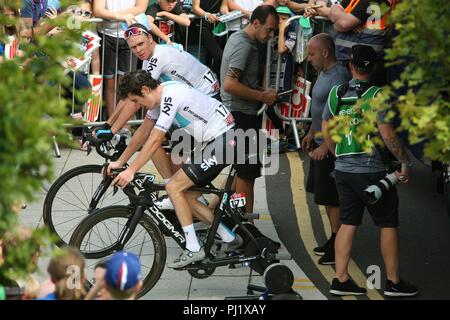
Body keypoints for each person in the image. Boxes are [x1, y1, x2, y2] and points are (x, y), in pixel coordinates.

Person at [108, 71, 243, 268]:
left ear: (145, 90)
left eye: (137, 101)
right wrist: (121, 162)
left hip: (225, 141)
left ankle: (193, 248)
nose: (138, 106)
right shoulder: (158, 97)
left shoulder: (170, 97)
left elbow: (155, 139)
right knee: (184, 193)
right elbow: (144, 132)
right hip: (218, 141)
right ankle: (229, 238)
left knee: (173, 188)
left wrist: (131, 171)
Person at [322, 45, 418, 297]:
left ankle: (341, 280)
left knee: (348, 222)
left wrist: (337, 157)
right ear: (374, 68)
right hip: (372, 170)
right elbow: (387, 134)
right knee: (387, 223)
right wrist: (404, 161)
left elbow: (326, 128)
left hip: (343, 170)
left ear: (351, 66)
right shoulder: (378, 96)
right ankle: (394, 282)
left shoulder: (337, 92)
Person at [220, 5, 278, 214]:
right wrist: (262, 96)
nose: (271, 35)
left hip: (240, 113)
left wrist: (260, 90)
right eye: (269, 29)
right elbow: (230, 84)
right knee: (246, 175)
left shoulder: (242, 41)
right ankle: (246, 228)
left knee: (242, 171)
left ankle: (212, 213)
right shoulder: (244, 45)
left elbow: (239, 81)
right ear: (255, 23)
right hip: (240, 115)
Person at [302, 33, 350, 265]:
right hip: (320, 142)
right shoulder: (323, 72)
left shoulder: (339, 77)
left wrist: (326, 145)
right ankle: (334, 239)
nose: (308, 58)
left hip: (331, 148)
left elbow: (340, 116)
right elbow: (321, 109)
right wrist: (311, 132)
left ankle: (338, 245)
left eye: (311, 53)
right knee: (327, 200)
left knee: (333, 200)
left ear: (325, 52)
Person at [93, 0, 149, 119]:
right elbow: (98, 10)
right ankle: (111, 123)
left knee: (126, 83)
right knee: (110, 83)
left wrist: (110, 15)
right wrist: (119, 16)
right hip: (106, 34)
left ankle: (125, 126)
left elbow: (141, 8)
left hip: (131, 36)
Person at [328, 0, 396, 86]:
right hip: (350, 59)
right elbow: (332, 11)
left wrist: (337, 23)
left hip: (364, 62)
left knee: (359, 96)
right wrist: (342, 19)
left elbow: (343, 24)